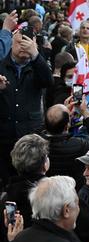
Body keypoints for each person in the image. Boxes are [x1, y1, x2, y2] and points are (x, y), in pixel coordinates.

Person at [0, 32, 52, 181]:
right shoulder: (2, 66)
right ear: (11, 44)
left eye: (27, 43)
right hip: (4, 139)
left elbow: (48, 82)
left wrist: (35, 54)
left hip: (30, 138)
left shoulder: (38, 66)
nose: (23, 46)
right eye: (19, 43)